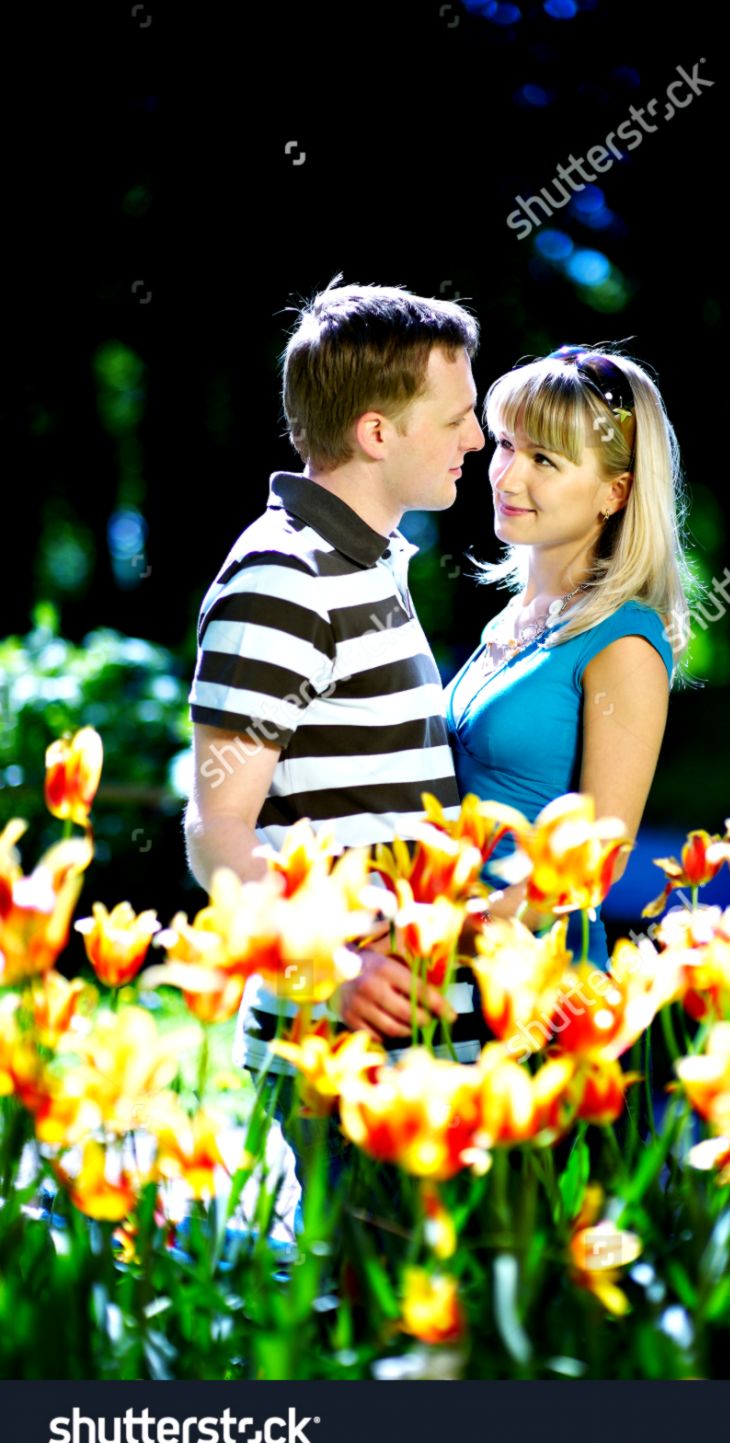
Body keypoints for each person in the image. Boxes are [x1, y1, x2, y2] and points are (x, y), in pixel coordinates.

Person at [182, 280, 490, 1193]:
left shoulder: (370, 563)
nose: (478, 440)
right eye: (457, 418)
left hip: (410, 1050)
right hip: (340, 1050)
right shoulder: (283, 579)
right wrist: (334, 966)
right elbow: (215, 829)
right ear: (377, 432)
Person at [444, 344, 696, 970]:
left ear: (616, 491)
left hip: (538, 986)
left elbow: (596, 863)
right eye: (506, 444)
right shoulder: (510, 620)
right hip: (451, 980)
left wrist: (454, 937)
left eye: (544, 460)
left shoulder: (624, 642)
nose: (507, 477)